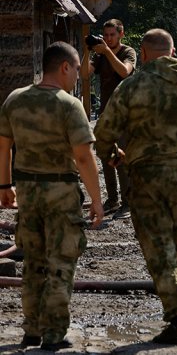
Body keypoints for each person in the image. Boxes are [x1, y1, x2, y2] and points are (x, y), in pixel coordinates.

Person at [93, 28, 177, 344]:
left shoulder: (131, 85)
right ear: (173, 50)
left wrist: (113, 156)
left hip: (147, 175)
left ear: (145, 53)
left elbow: (104, 131)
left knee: (159, 247)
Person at [0, 41, 104, 351]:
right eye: (76, 70)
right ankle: (54, 334)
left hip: (27, 192)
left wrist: (4, 187)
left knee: (33, 262)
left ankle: (31, 329)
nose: (77, 76)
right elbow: (84, 157)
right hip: (61, 191)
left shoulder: (14, 100)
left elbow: (3, 146)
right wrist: (97, 200)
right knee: (60, 262)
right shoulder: (69, 105)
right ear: (64, 67)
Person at [81, 18, 137, 219]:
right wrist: (88, 50)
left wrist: (107, 52)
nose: (108, 38)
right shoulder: (101, 54)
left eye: (112, 34)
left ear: (121, 34)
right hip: (106, 114)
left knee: (121, 158)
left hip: (124, 115)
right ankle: (112, 199)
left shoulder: (128, 52)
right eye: (105, 35)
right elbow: (84, 75)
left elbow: (124, 71)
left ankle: (127, 203)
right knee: (106, 158)